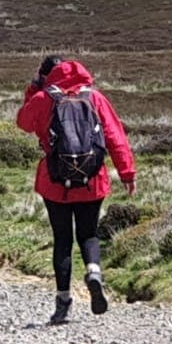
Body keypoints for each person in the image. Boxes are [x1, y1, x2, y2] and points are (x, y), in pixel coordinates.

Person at [16, 56, 136, 325]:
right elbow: (116, 136)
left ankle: (63, 303)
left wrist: (34, 88)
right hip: (93, 180)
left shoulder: (44, 98)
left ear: (46, 75)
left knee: (63, 240)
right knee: (89, 234)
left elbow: (23, 123)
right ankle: (94, 272)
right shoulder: (94, 97)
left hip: (55, 182)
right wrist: (127, 173)